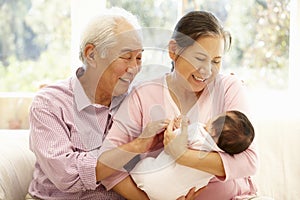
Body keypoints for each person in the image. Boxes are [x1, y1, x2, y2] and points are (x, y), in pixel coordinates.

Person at [98, 10, 259, 200]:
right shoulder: (143, 96)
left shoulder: (228, 89)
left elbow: (249, 161)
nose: (207, 71)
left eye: (216, 61)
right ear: (173, 50)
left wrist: (182, 155)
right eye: (200, 58)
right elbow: (107, 169)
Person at [26, 7, 156, 200]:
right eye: (126, 57)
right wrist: (134, 147)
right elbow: (68, 175)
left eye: (138, 58)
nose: (134, 68)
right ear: (91, 54)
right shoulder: (49, 104)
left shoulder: (137, 101)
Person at [130, 110, 255, 200]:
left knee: (142, 165)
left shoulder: (197, 130)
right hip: (173, 197)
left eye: (218, 115)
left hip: (145, 178)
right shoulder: (216, 161)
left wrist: (176, 126)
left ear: (214, 130)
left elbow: (172, 144)